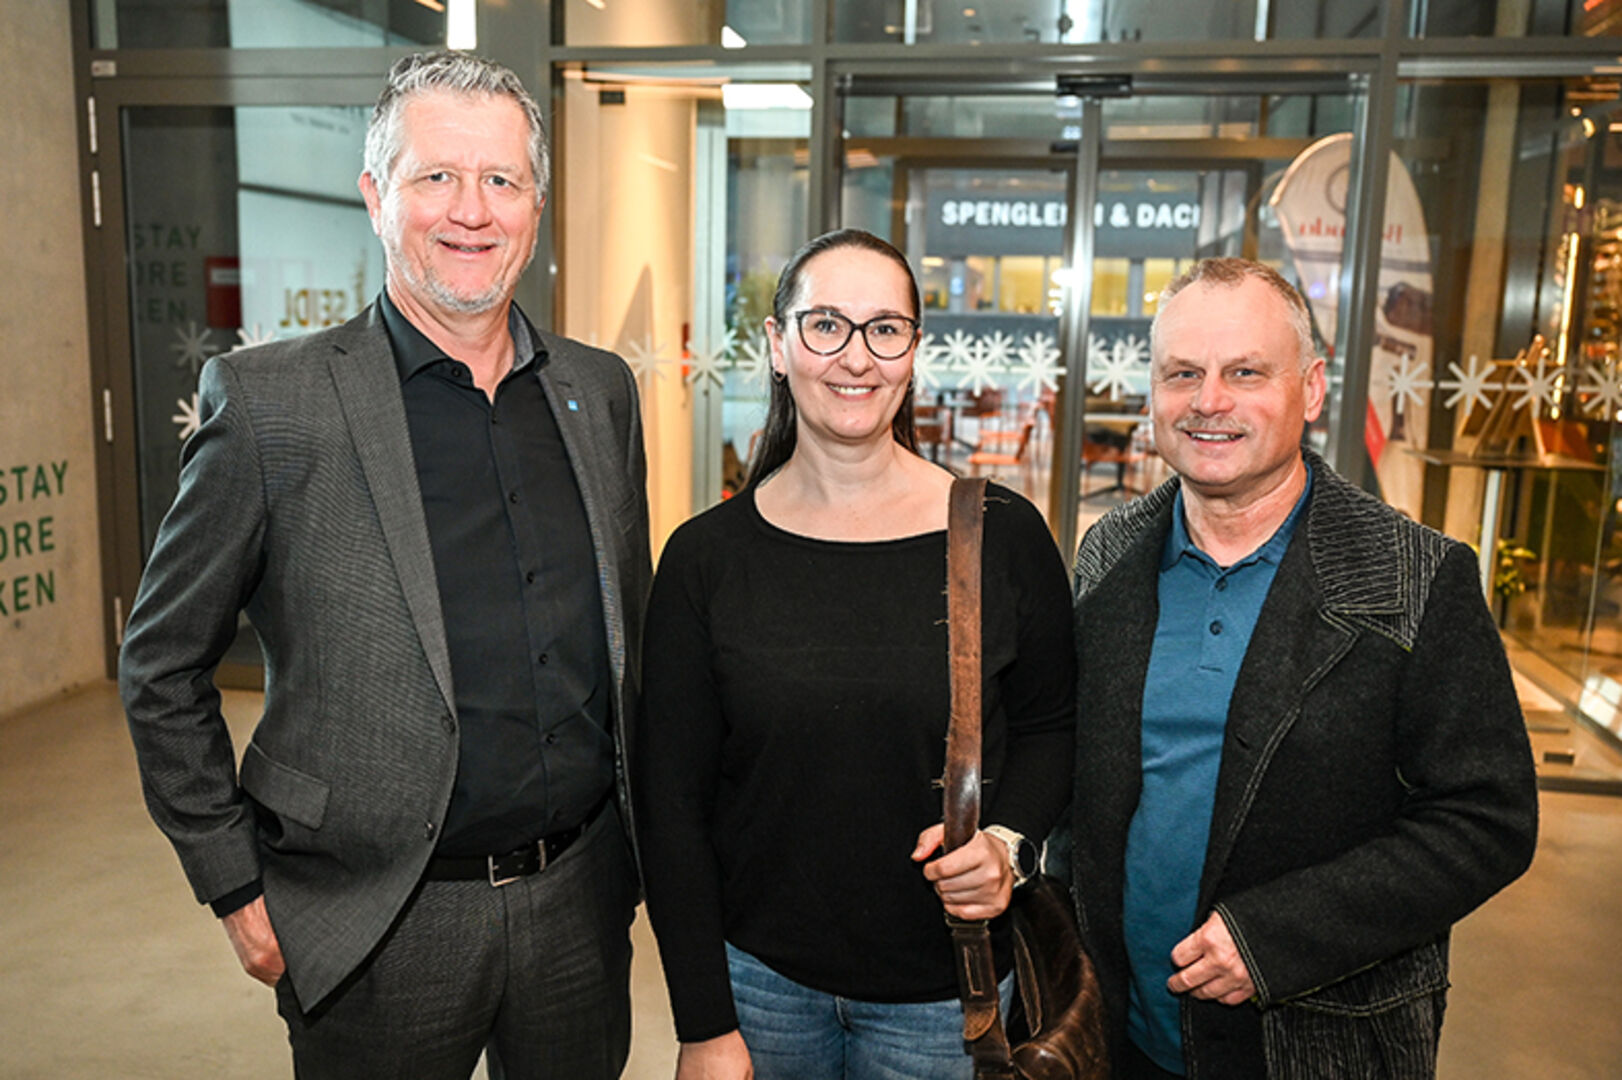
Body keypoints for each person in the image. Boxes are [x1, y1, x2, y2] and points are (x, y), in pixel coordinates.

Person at [119, 51, 649, 1079]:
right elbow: (161, 667)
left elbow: (628, 636)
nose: (471, 210)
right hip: (376, 923)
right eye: (434, 176)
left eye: (501, 180)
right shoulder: (272, 406)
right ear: (374, 196)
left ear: (536, 206)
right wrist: (234, 886)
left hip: (578, 905)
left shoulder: (599, 393)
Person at [1066, 257, 1539, 1079]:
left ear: (1312, 390)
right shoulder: (1109, 553)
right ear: (1153, 392)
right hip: (1122, 1033)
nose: (1209, 401)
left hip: (1315, 1042)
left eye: (1245, 372)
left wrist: (1274, 938)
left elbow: (1486, 818)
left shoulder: (1415, 577)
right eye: (1184, 373)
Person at [635, 229, 1076, 1080]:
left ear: (914, 351)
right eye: (826, 324)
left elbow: (1054, 724)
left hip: (948, 997)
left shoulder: (1001, 536)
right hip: (760, 991)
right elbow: (672, 804)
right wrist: (702, 1022)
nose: (856, 357)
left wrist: (1009, 844)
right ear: (776, 344)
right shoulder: (705, 558)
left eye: (885, 329)